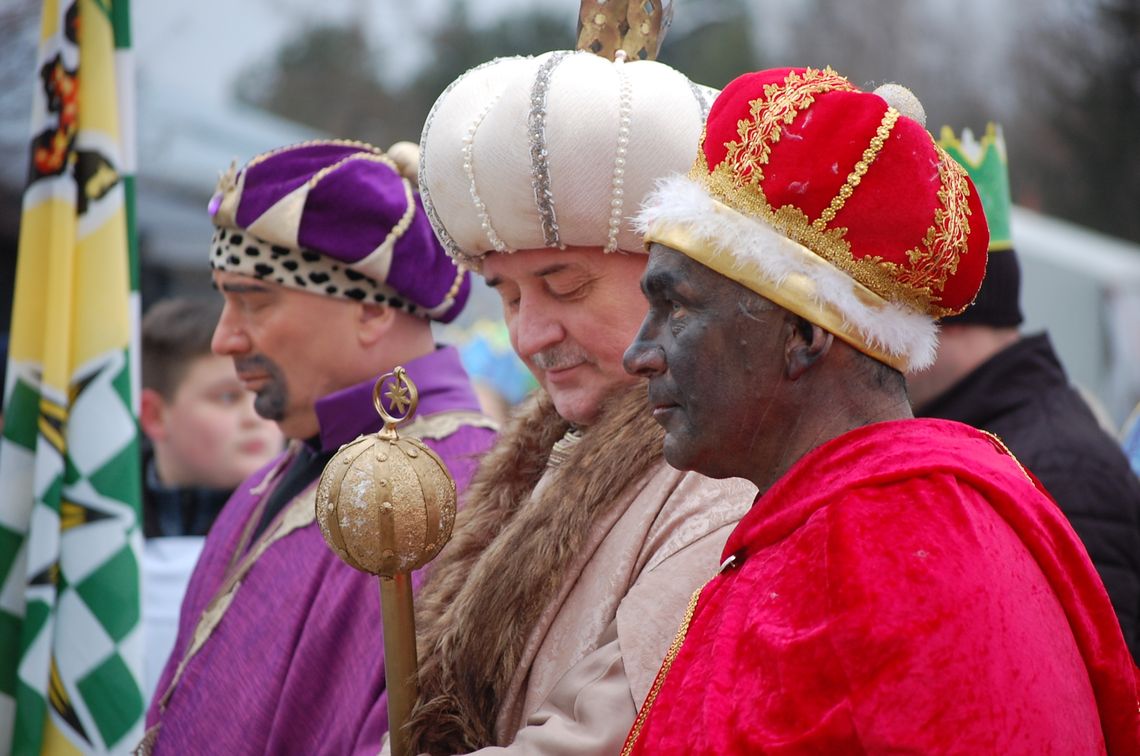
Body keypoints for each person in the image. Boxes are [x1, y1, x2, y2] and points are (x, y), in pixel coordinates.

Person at [621, 67, 1140, 753]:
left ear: (805, 336)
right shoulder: (864, 522)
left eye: (677, 306)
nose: (640, 354)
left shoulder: (887, 552)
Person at [398, 20, 757, 755]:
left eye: (563, 285)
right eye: (507, 296)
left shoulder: (730, 481)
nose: (528, 336)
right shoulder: (553, 451)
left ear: (678, 284)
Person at [141, 140, 498, 755]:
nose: (225, 338)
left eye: (254, 301)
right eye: (224, 300)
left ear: (368, 310)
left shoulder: (457, 487)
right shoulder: (290, 465)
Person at [908, 124, 1140, 661]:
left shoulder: (1063, 465)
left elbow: (1103, 685)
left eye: (903, 315)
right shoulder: (991, 435)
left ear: (955, 314)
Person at [138, 296, 284, 700]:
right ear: (154, 415)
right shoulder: (98, 534)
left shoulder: (307, 524)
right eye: (226, 397)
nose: (254, 416)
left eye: (261, 392)